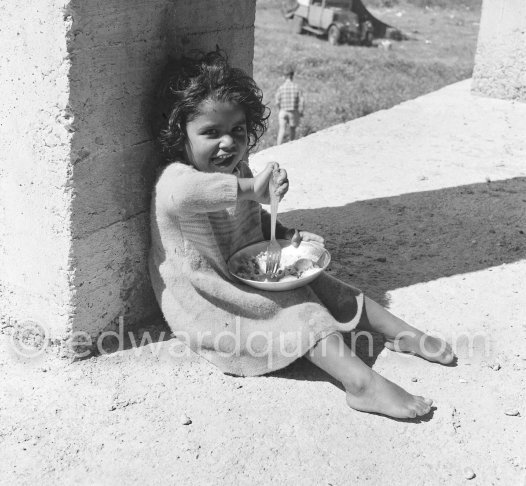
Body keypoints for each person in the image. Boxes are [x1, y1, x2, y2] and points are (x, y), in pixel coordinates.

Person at [149, 50, 454, 419]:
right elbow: (189, 194)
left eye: (238, 131)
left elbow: (250, 218)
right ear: (179, 135)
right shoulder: (175, 180)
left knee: (327, 285)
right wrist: (250, 187)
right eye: (210, 133)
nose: (227, 143)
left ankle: (397, 331)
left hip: (245, 277)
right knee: (303, 313)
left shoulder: (238, 169)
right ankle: (361, 385)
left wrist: (284, 233)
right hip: (212, 301)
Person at [275, 66, 304, 145]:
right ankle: (291, 146)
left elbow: (277, 101)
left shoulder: (281, 87)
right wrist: (301, 111)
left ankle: (278, 147)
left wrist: (279, 110)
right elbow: (302, 100)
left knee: (282, 130)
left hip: (283, 111)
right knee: (292, 130)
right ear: (292, 76)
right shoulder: (296, 87)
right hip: (293, 111)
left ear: (285, 76)